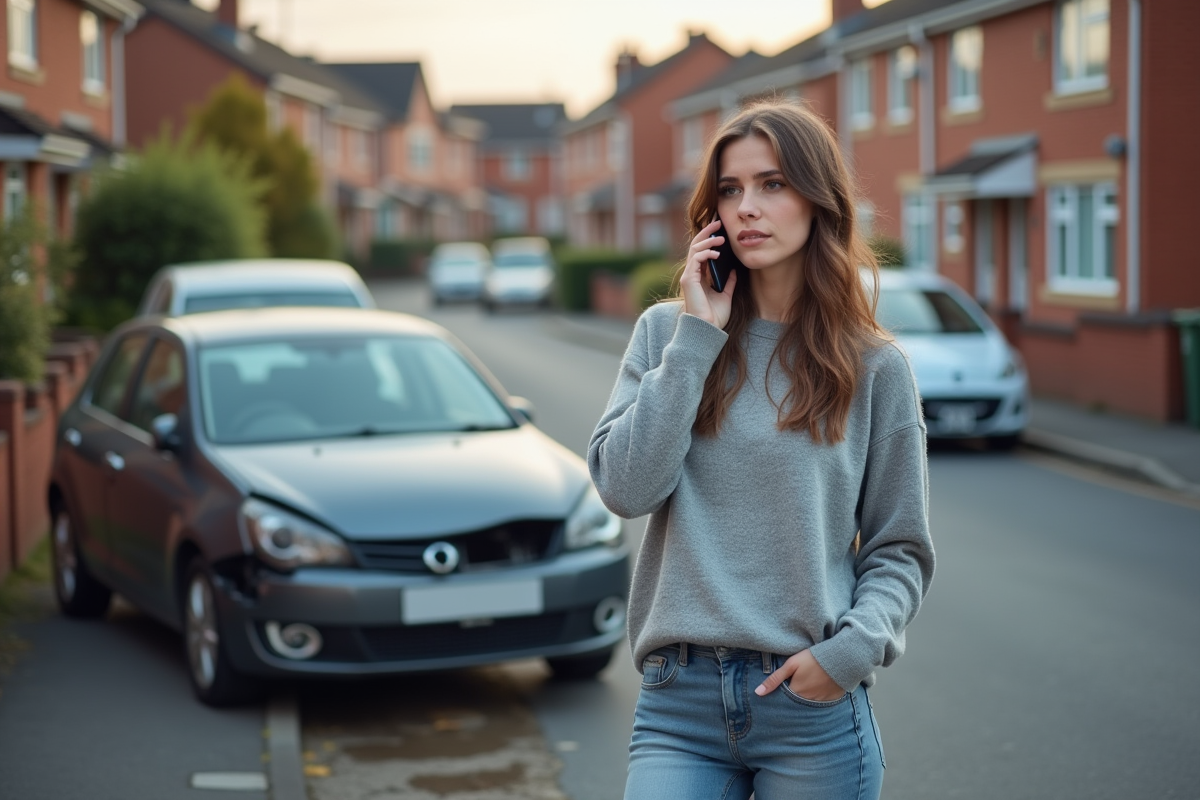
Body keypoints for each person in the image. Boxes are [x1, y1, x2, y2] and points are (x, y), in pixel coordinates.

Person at [588, 100, 936, 799]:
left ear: (818, 201)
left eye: (772, 184)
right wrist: (698, 338)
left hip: (809, 709)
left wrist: (848, 653)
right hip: (676, 702)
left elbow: (900, 549)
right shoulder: (667, 335)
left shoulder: (874, 367)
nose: (748, 206)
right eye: (730, 188)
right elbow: (626, 490)